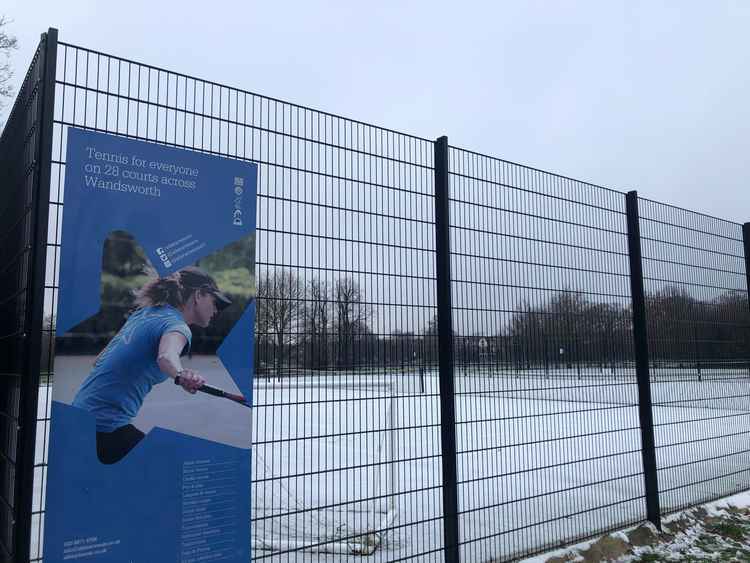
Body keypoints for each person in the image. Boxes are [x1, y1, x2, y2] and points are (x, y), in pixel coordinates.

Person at [72, 266, 232, 464]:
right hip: (105, 428)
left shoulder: (144, 313)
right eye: (215, 302)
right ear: (199, 295)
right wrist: (181, 375)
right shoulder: (178, 326)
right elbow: (166, 356)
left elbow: (100, 360)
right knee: (170, 470)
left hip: (78, 418)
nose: (217, 310)